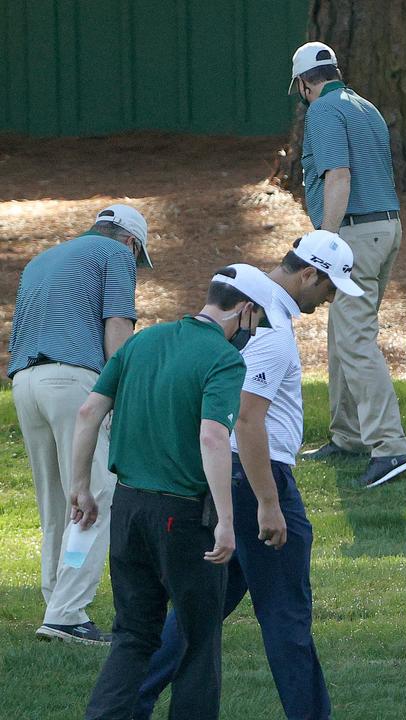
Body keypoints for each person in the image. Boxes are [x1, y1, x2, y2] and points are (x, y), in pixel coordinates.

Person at [134, 232, 363, 719]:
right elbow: (247, 418)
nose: (328, 302)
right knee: (287, 618)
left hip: (227, 476)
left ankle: (129, 699)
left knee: (201, 612)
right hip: (257, 478)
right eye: (329, 289)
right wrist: (269, 502)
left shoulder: (253, 311)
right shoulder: (272, 330)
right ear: (309, 274)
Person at [72, 265, 276, 720]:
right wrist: (225, 520)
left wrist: (80, 488)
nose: (254, 333)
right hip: (182, 517)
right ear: (244, 311)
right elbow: (212, 437)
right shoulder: (224, 359)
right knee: (199, 639)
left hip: (127, 508)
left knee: (133, 634)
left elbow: (88, 412)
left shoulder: (142, 342)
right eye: (257, 322)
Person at [9, 204, 152, 646]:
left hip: (24, 384)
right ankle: (67, 613)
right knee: (96, 493)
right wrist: (124, 391)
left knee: (57, 503)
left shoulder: (42, 259)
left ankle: (57, 600)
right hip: (72, 381)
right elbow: (117, 328)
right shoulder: (116, 256)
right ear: (129, 241)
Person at [288, 41, 406, 488]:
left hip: (355, 233)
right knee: (343, 331)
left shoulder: (323, 111)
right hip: (386, 228)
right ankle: (349, 435)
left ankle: (391, 445)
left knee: (356, 338)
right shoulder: (365, 106)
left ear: (304, 84)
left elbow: (338, 176)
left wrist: (324, 238)